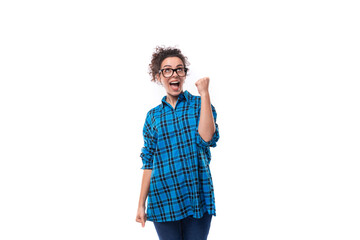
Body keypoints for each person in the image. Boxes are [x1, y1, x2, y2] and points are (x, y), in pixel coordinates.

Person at [136, 46, 220, 240]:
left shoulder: (199, 104)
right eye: (167, 69)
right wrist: (141, 204)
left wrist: (205, 94)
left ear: (184, 74)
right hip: (162, 198)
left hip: (197, 195)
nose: (174, 73)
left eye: (179, 69)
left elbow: (207, 138)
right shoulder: (153, 116)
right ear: (158, 76)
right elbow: (149, 162)